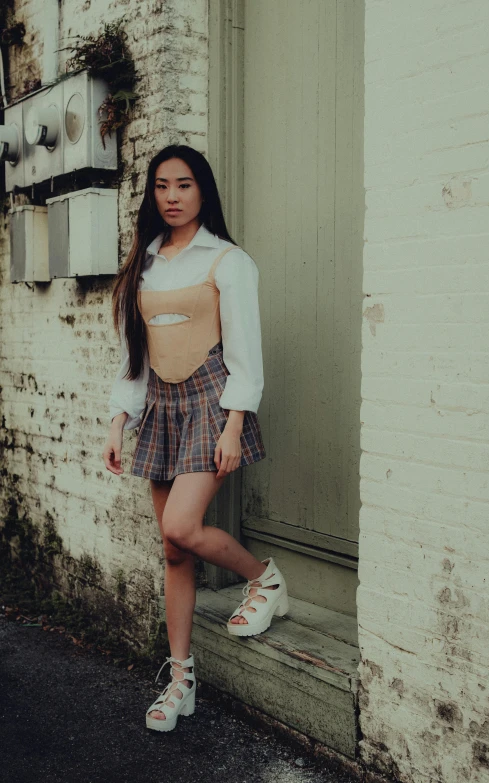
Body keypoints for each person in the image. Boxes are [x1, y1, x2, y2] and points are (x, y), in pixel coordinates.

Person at [102, 144, 289, 732]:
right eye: (161, 186)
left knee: (180, 525)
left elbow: (245, 352)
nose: (172, 196)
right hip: (161, 405)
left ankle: (264, 578)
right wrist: (118, 421)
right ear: (152, 195)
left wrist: (235, 423)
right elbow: (137, 354)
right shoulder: (146, 262)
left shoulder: (228, 260)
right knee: (173, 549)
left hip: (212, 401)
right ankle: (180, 679)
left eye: (184, 185)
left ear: (202, 191)